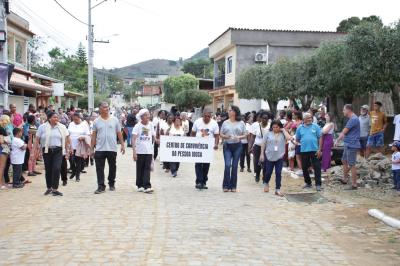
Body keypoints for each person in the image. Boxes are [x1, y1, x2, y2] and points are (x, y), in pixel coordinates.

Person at [91, 102, 125, 194]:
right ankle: (101, 186)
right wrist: (91, 149)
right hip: (99, 149)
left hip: (112, 148)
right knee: (99, 168)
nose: (107, 109)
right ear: (100, 109)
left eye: (107, 107)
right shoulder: (96, 121)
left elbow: (119, 133)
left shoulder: (115, 120)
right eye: (104, 107)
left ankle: (111, 183)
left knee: (112, 167)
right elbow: (93, 136)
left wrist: (122, 144)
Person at [35, 112, 70, 196]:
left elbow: (66, 139)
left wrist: (67, 151)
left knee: (57, 168)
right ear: (49, 118)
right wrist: (36, 151)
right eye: (54, 117)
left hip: (58, 150)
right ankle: (49, 187)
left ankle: (55, 189)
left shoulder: (62, 127)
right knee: (48, 169)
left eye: (57, 118)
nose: (56, 119)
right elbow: (37, 139)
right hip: (46, 150)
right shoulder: (42, 127)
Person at [260, 120, 294, 196]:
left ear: (280, 127)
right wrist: (262, 154)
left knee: (278, 173)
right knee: (268, 172)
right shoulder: (268, 133)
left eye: (277, 127)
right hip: (269, 156)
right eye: (273, 127)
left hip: (279, 156)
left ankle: (277, 189)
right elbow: (263, 144)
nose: (275, 128)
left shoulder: (283, 134)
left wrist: (283, 130)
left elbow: (289, 138)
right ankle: (266, 183)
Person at [191, 108, 219, 190]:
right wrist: (191, 143)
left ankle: (204, 182)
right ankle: (199, 182)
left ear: (211, 116)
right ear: (202, 115)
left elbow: (217, 135)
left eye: (208, 116)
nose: (207, 118)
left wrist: (216, 144)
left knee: (206, 165)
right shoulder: (197, 122)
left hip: (208, 148)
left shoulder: (214, 123)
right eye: (205, 116)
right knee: (198, 164)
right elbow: (192, 133)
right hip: (198, 147)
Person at [220, 105, 247, 192]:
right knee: (228, 165)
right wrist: (226, 136)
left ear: (235, 112)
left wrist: (239, 137)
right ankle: (225, 185)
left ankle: (233, 186)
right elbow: (221, 134)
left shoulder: (241, 123)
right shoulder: (225, 122)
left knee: (235, 166)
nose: (228, 111)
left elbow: (246, 134)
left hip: (237, 146)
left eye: (230, 110)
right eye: (228, 110)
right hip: (227, 145)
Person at [335, 104, 361, 190]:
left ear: (348, 110)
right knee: (344, 160)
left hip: (352, 144)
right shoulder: (352, 118)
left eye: (344, 110)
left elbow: (344, 131)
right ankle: (345, 178)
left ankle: (354, 184)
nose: (343, 111)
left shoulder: (353, 119)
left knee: (352, 164)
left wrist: (337, 140)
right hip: (348, 143)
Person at [295, 113, 323, 191]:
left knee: (317, 167)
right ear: (304, 119)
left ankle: (318, 184)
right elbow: (297, 139)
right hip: (304, 150)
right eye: (307, 118)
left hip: (315, 150)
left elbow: (320, 137)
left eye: (310, 118)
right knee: (304, 168)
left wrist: (319, 149)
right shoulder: (299, 128)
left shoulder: (316, 126)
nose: (309, 119)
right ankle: (308, 183)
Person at [132, 109, 155, 193]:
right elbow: (133, 139)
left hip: (149, 150)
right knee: (140, 168)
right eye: (146, 115)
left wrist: (158, 141)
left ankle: (147, 186)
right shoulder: (137, 126)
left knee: (147, 168)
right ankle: (139, 185)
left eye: (148, 114)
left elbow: (153, 136)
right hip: (140, 151)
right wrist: (134, 152)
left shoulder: (151, 125)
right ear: (141, 117)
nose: (148, 116)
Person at [68, 113, 90, 182]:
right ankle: (74, 171)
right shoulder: (71, 124)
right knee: (71, 159)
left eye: (76, 119)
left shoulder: (84, 124)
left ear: (79, 118)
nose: (75, 121)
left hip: (80, 145)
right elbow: (68, 133)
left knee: (78, 161)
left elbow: (88, 135)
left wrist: (83, 137)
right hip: (71, 145)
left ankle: (77, 176)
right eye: (74, 119)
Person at [248, 111, 269, 183]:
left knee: (265, 162)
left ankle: (264, 177)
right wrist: (250, 146)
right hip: (257, 146)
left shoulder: (270, 126)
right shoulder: (256, 125)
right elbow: (252, 137)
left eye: (266, 118)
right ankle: (257, 174)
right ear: (260, 118)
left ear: (268, 119)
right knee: (257, 162)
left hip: (267, 147)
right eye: (263, 118)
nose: (264, 120)